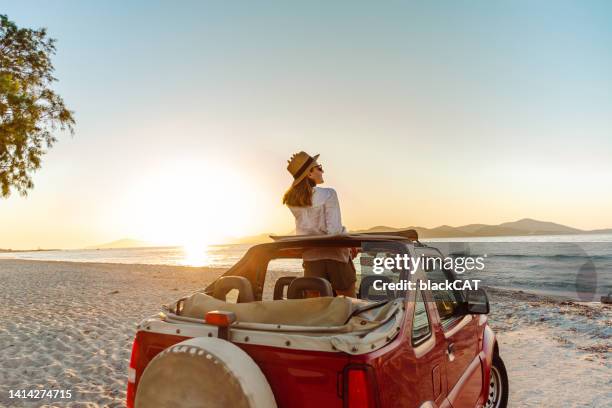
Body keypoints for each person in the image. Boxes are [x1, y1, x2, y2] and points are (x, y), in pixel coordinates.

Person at [283, 151, 356, 297]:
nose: (322, 171)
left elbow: (307, 231)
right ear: (309, 174)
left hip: (312, 259)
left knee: (316, 307)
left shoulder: (293, 202)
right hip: (336, 257)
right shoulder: (328, 194)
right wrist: (350, 245)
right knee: (348, 305)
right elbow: (334, 232)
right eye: (319, 167)